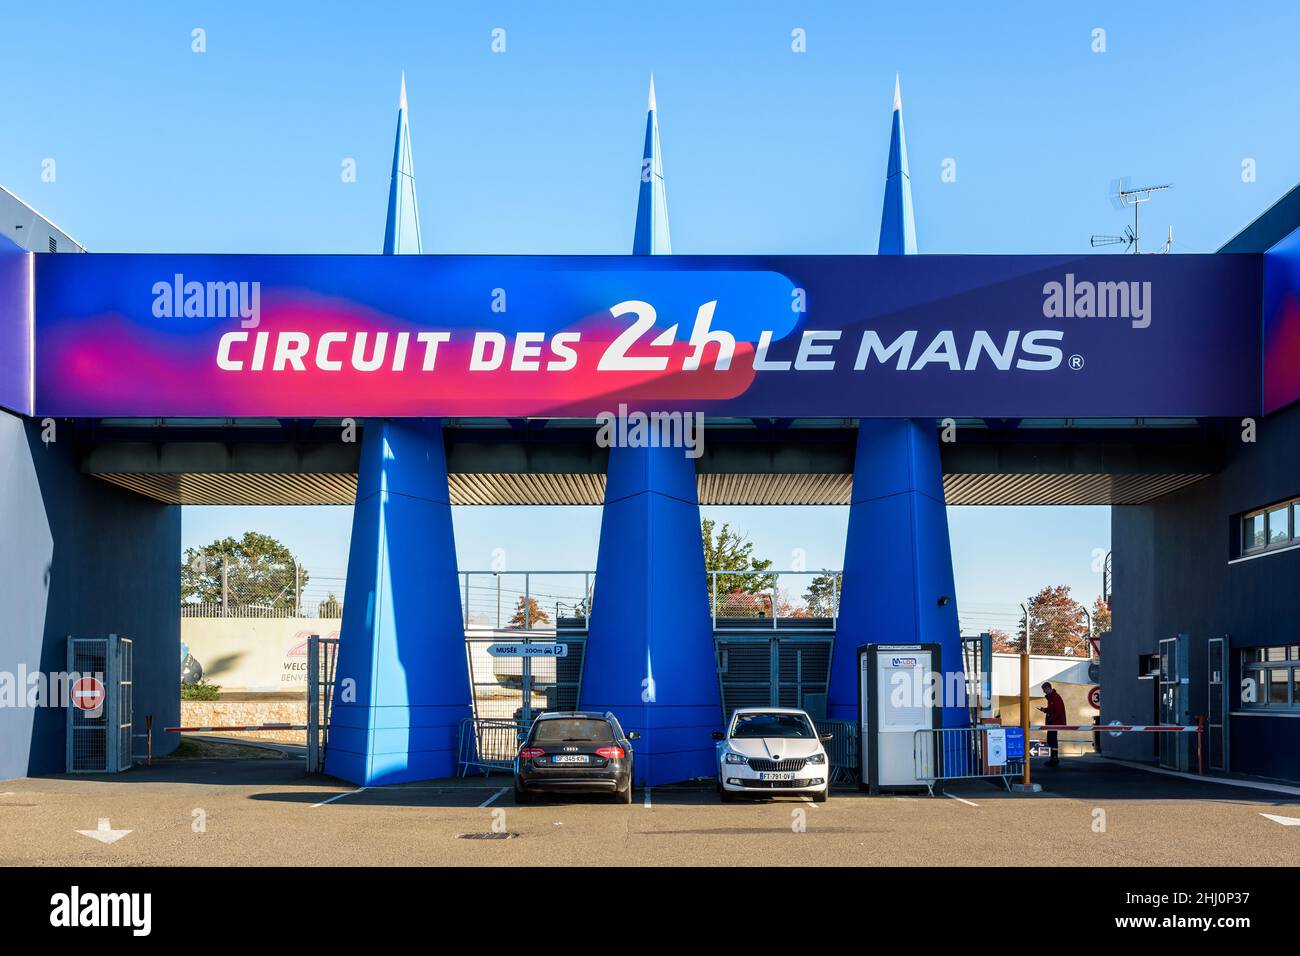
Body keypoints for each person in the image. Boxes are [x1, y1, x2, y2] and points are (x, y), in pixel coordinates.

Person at [1038, 681, 1067, 766]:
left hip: (1054, 723)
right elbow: (1053, 710)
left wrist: (1051, 719)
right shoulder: (1052, 698)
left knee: (1052, 740)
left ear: (1048, 688)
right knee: (1051, 740)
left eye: (1044, 690)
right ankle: (1053, 758)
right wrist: (1045, 710)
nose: (1044, 692)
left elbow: (1058, 711)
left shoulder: (1055, 697)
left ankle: (1054, 759)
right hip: (1052, 723)